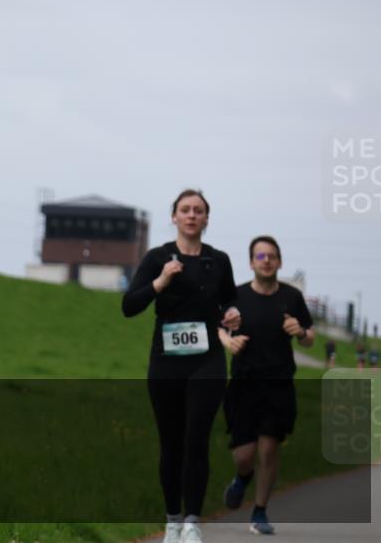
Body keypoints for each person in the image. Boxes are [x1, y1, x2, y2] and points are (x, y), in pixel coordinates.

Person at [122, 189, 241, 543]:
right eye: (185, 210)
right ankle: (173, 519)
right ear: (173, 217)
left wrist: (233, 314)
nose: (191, 215)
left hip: (207, 360)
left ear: (206, 219)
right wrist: (160, 281)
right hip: (166, 362)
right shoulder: (157, 257)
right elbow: (129, 306)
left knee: (196, 438)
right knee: (171, 442)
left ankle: (192, 522)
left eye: (198, 210)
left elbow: (230, 301)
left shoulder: (219, 261)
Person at [220, 235, 314, 535]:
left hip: (278, 384)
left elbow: (310, 338)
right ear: (251, 263)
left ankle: (260, 511)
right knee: (245, 455)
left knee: (269, 448)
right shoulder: (236, 296)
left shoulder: (291, 297)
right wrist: (228, 342)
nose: (266, 260)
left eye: (271, 255)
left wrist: (300, 332)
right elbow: (218, 327)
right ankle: (242, 477)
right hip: (243, 384)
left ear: (280, 262)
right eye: (260, 256)